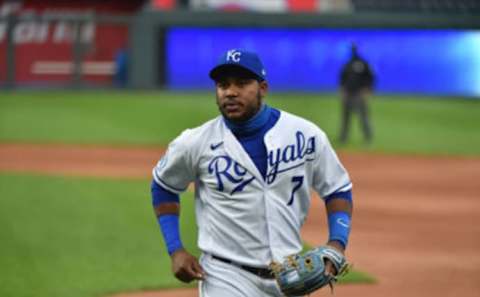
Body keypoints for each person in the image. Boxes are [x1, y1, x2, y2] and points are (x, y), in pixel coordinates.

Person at [151, 49, 354, 296]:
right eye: (223, 85)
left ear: (263, 88)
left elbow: (337, 188)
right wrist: (176, 249)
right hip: (224, 275)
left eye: (243, 83)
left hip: (290, 276)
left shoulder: (305, 135)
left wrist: (337, 242)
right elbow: (163, 186)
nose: (231, 92)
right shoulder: (195, 143)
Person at [339, 43, 375, 144]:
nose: (353, 51)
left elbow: (370, 77)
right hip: (348, 93)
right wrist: (342, 91)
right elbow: (342, 78)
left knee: (363, 116)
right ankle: (343, 137)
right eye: (352, 49)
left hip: (359, 93)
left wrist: (367, 90)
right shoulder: (347, 64)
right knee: (346, 117)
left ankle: (368, 136)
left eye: (354, 49)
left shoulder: (363, 63)